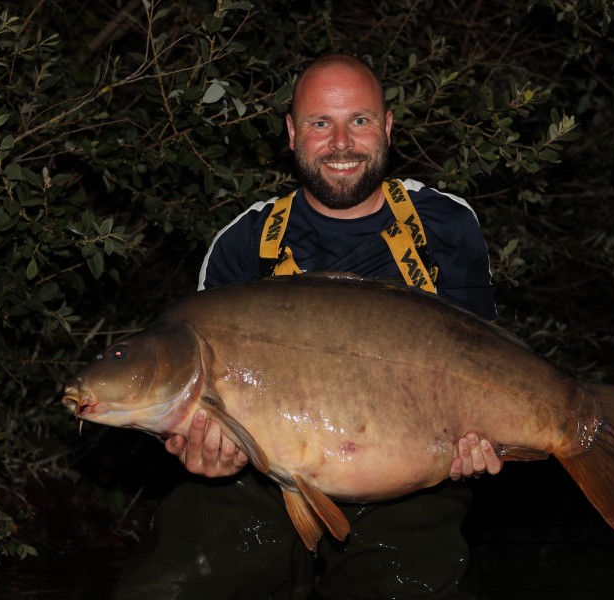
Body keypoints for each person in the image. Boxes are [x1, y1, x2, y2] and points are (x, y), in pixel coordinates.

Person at [114, 53, 502, 600]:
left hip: (411, 482)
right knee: (167, 588)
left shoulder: (445, 225)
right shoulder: (242, 242)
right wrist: (197, 451)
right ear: (293, 132)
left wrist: (482, 445)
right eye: (321, 123)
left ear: (387, 126)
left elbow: (485, 367)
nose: (341, 143)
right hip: (260, 480)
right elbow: (188, 401)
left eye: (359, 121)